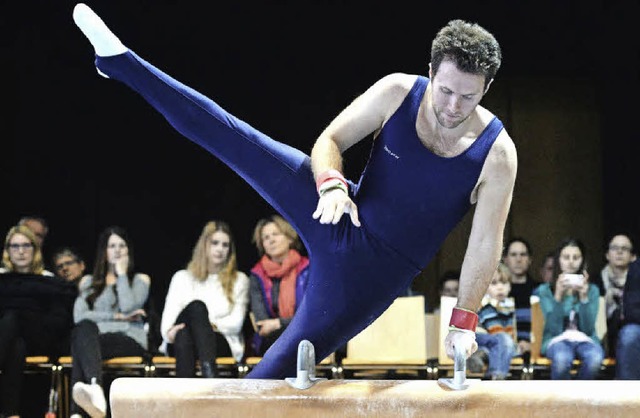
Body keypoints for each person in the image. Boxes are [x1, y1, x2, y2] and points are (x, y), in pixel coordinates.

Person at [72, 4, 517, 379]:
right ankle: (119, 62)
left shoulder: (497, 155)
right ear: (430, 71)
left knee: (267, 382)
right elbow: (331, 141)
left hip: (367, 279)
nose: (453, 107)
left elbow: (484, 244)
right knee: (236, 138)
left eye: (469, 97)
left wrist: (464, 319)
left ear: (487, 89)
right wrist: (331, 186)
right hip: (340, 210)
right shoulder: (398, 91)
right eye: (445, 91)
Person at [69, 226, 150, 418]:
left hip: (128, 339)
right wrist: (118, 318)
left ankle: (77, 413)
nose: (117, 250)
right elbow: (80, 317)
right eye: (112, 246)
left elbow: (129, 306)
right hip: (97, 340)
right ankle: (95, 389)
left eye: (122, 246)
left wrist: (122, 275)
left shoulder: (140, 280)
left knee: (82, 345)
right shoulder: (88, 282)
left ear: (128, 251)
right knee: (82, 329)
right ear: (104, 252)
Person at [0, 225, 76, 418]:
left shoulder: (50, 282)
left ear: (35, 249)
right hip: (12, 342)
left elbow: (59, 321)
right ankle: (10, 413)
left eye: (26, 245)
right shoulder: (2, 280)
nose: (21, 251)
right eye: (15, 246)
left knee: (12, 318)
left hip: (42, 339)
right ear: (8, 250)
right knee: (16, 346)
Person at [160, 221, 249, 377]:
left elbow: (235, 324)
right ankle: (210, 375)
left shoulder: (240, 279)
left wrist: (201, 325)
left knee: (186, 333)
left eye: (225, 245)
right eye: (215, 243)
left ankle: (184, 397)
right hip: (179, 340)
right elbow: (166, 328)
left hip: (221, 341)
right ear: (204, 245)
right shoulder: (182, 278)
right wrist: (200, 324)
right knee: (196, 308)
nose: (220, 249)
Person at [536, 238, 604, 380]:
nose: (571, 261)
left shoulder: (592, 290)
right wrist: (558, 297)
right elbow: (553, 329)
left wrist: (584, 298)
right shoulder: (544, 291)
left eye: (576, 257)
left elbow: (588, 328)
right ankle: (562, 402)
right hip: (556, 340)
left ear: (582, 260)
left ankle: (581, 401)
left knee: (595, 358)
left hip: (585, 339)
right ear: (558, 260)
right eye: (566, 257)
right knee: (562, 359)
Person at [249, 215, 310, 356]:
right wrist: (278, 325)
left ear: (289, 238)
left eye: (275, 234)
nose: (271, 240)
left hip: (306, 333)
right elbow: (262, 323)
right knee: (280, 341)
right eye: (266, 237)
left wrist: (278, 323)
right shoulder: (257, 275)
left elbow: (310, 315)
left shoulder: (308, 269)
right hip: (271, 339)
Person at [474, 262, 518, 379]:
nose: (500, 287)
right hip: (478, 337)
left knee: (504, 344)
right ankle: (496, 375)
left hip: (495, 340)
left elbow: (509, 329)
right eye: (494, 283)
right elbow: (494, 329)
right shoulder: (486, 304)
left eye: (504, 283)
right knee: (504, 341)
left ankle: (482, 355)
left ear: (510, 286)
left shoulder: (507, 305)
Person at [598, 233, 636, 357]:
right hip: (604, 335)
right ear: (607, 255)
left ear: (632, 257)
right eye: (614, 248)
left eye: (624, 249)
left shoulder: (637, 281)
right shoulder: (596, 280)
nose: (619, 252)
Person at [501, 237, 535, 358]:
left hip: (533, 349)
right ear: (505, 259)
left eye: (523, 254)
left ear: (530, 259)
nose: (518, 259)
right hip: (503, 348)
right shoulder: (496, 292)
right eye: (513, 255)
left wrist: (533, 345)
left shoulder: (539, 291)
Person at [615, 258, 640, 379]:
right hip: (638, 323)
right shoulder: (636, 268)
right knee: (629, 335)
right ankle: (630, 395)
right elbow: (630, 308)